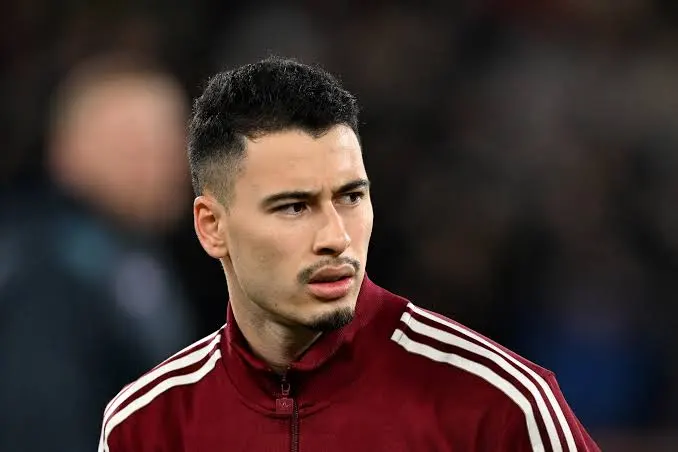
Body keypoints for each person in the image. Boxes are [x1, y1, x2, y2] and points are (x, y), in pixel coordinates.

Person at [98, 57, 600, 451]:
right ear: (212, 227)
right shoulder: (145, 426)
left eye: (351, 197)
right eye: (294, 207)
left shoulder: (500, 405)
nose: (336, 236)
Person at [0, 54, 196, 452]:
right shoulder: (50, 273)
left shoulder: (133, 251)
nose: (159, 164)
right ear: (66, 151)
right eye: (133, 146)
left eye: (169, 144)